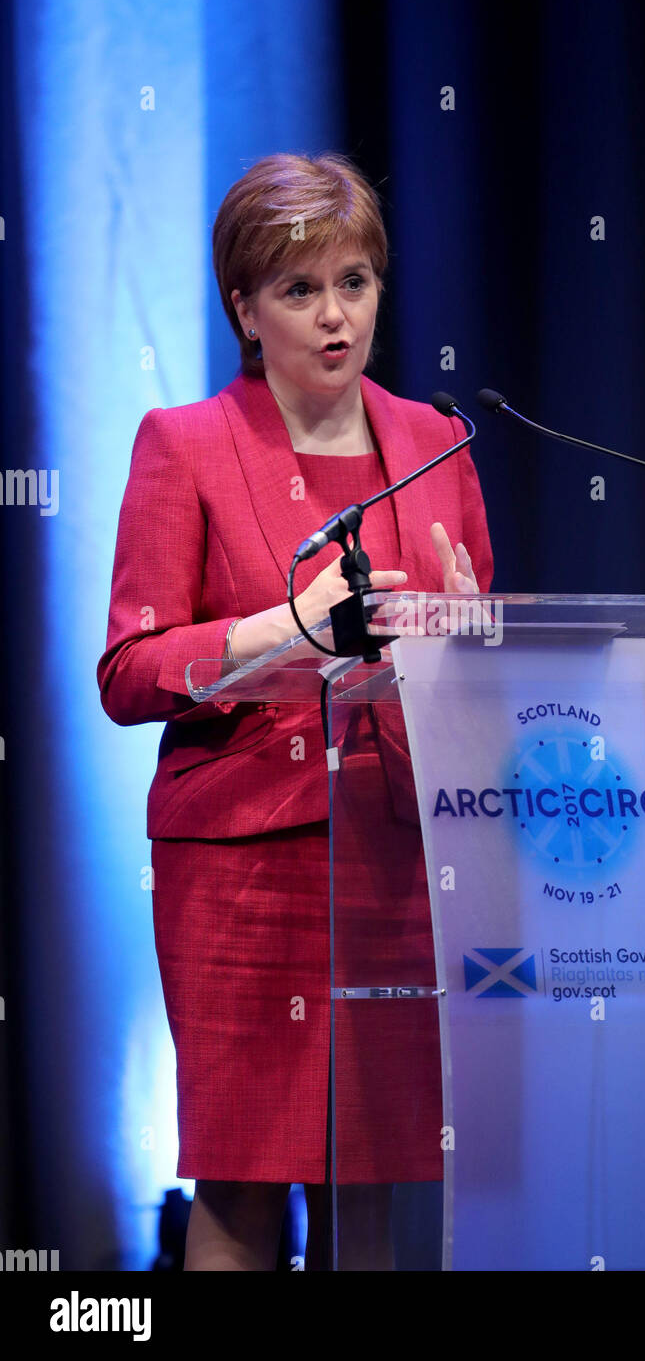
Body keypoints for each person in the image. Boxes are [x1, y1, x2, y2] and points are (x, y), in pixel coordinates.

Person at [97, 152, 494, 1270]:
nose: (336, 316)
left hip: (394, 858)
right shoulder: (183, 444)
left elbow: (472, 659)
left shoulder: (434, 442)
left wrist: (476, 641)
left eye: (356, 282)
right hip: (244, 869)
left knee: (373, 1190)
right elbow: (128, 671)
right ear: (245, 307)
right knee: (242, 1182)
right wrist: (283, 630)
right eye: (301, 289)